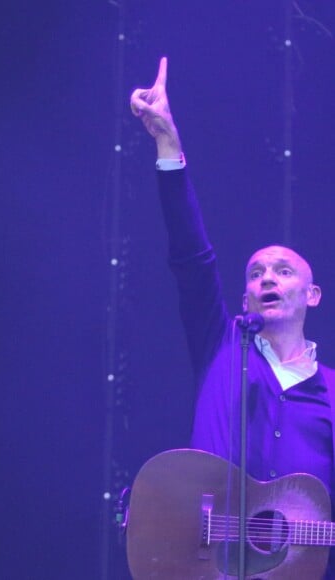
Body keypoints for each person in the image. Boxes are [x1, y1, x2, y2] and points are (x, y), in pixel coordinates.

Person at [130, 57, 335, 578]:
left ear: (312, 295)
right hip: (202, 564)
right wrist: (168, 146)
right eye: (256, 272)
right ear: (245, 297)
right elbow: (191, 258)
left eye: (283, 271)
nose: (267, 278)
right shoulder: (224, 346)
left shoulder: (331, 392)